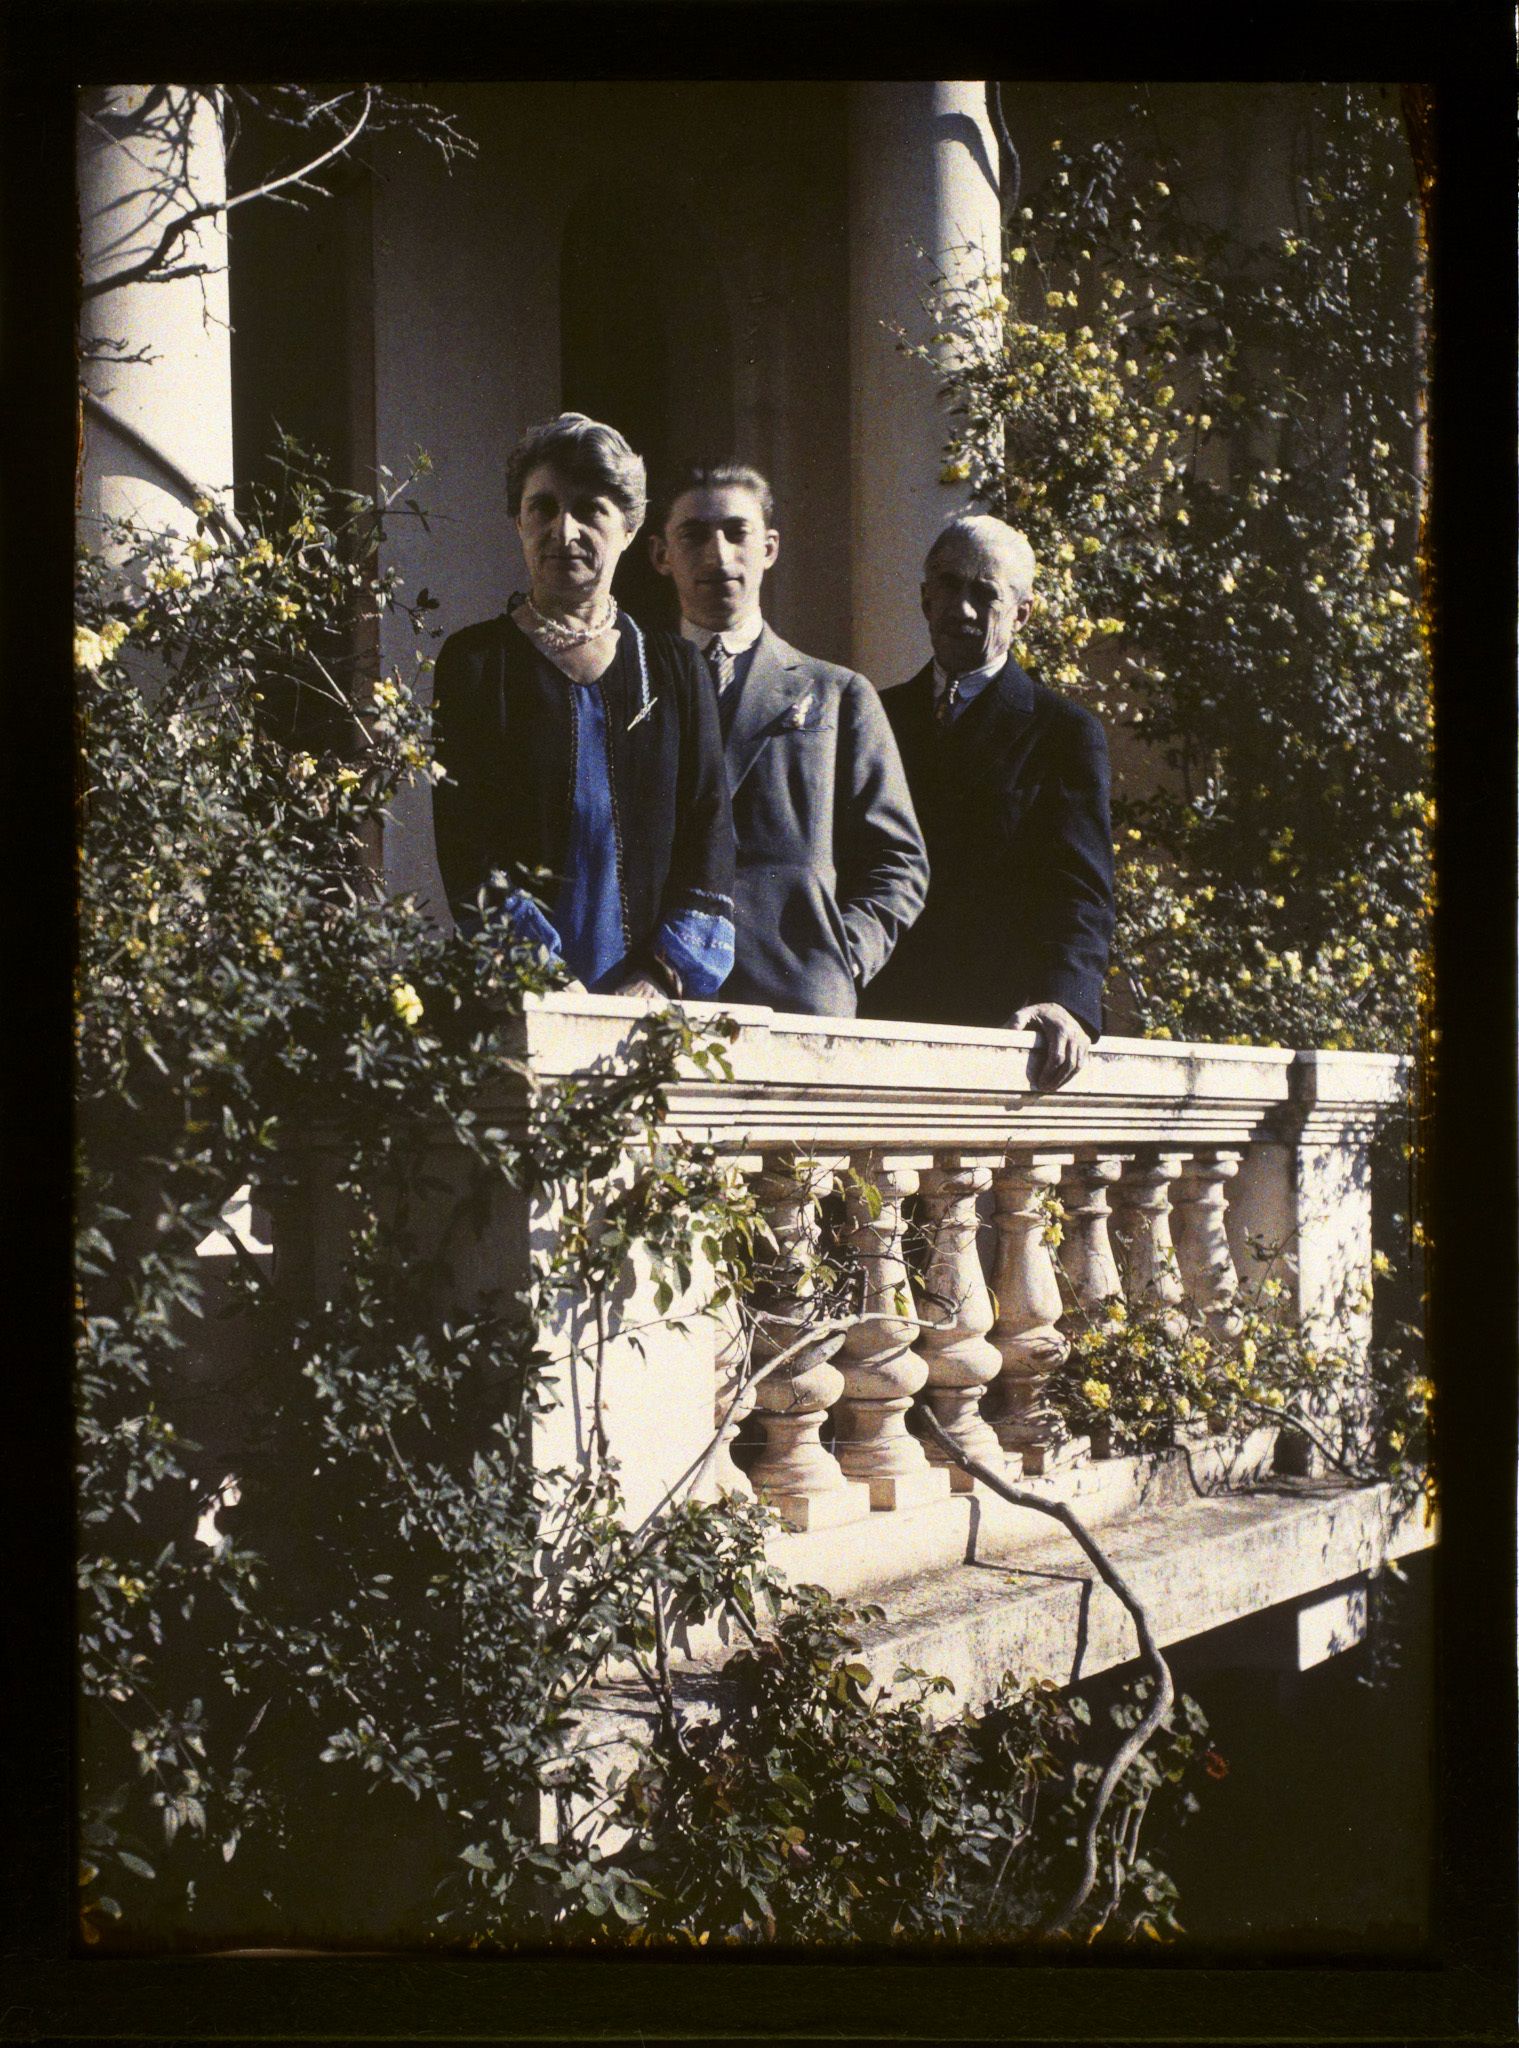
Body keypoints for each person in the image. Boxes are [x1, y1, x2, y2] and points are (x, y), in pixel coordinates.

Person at [430, 414, 735, 1002]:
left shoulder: (676, 669)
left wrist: (658, 976)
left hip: (654, 1003)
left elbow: (709, 834)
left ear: (629, 527)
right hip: (521, 996)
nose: (563, 530)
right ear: (518, 521)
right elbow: (467, 844)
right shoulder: (475, 664)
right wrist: (543, 981)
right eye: (543, 508)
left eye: (591, 509)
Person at [648, 463, 928, 1018]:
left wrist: (838, 956)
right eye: (694, 535)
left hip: (794, 996)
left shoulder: (837, 692)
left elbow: (898, 859)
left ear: (770, 548)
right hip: (658, 989)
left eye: (737, 532)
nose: (718, 554)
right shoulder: (635, 683)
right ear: (661, 555)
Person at [861, 514, 1114, 1089]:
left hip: (991, 1030)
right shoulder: (874, 716)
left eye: (985, 593)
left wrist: (1064, 1001)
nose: (963, 609)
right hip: (877, 1014)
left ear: (1022, 613)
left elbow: (1081, 889)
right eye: (948, 586)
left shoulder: (1061, 732)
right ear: (925, 599)